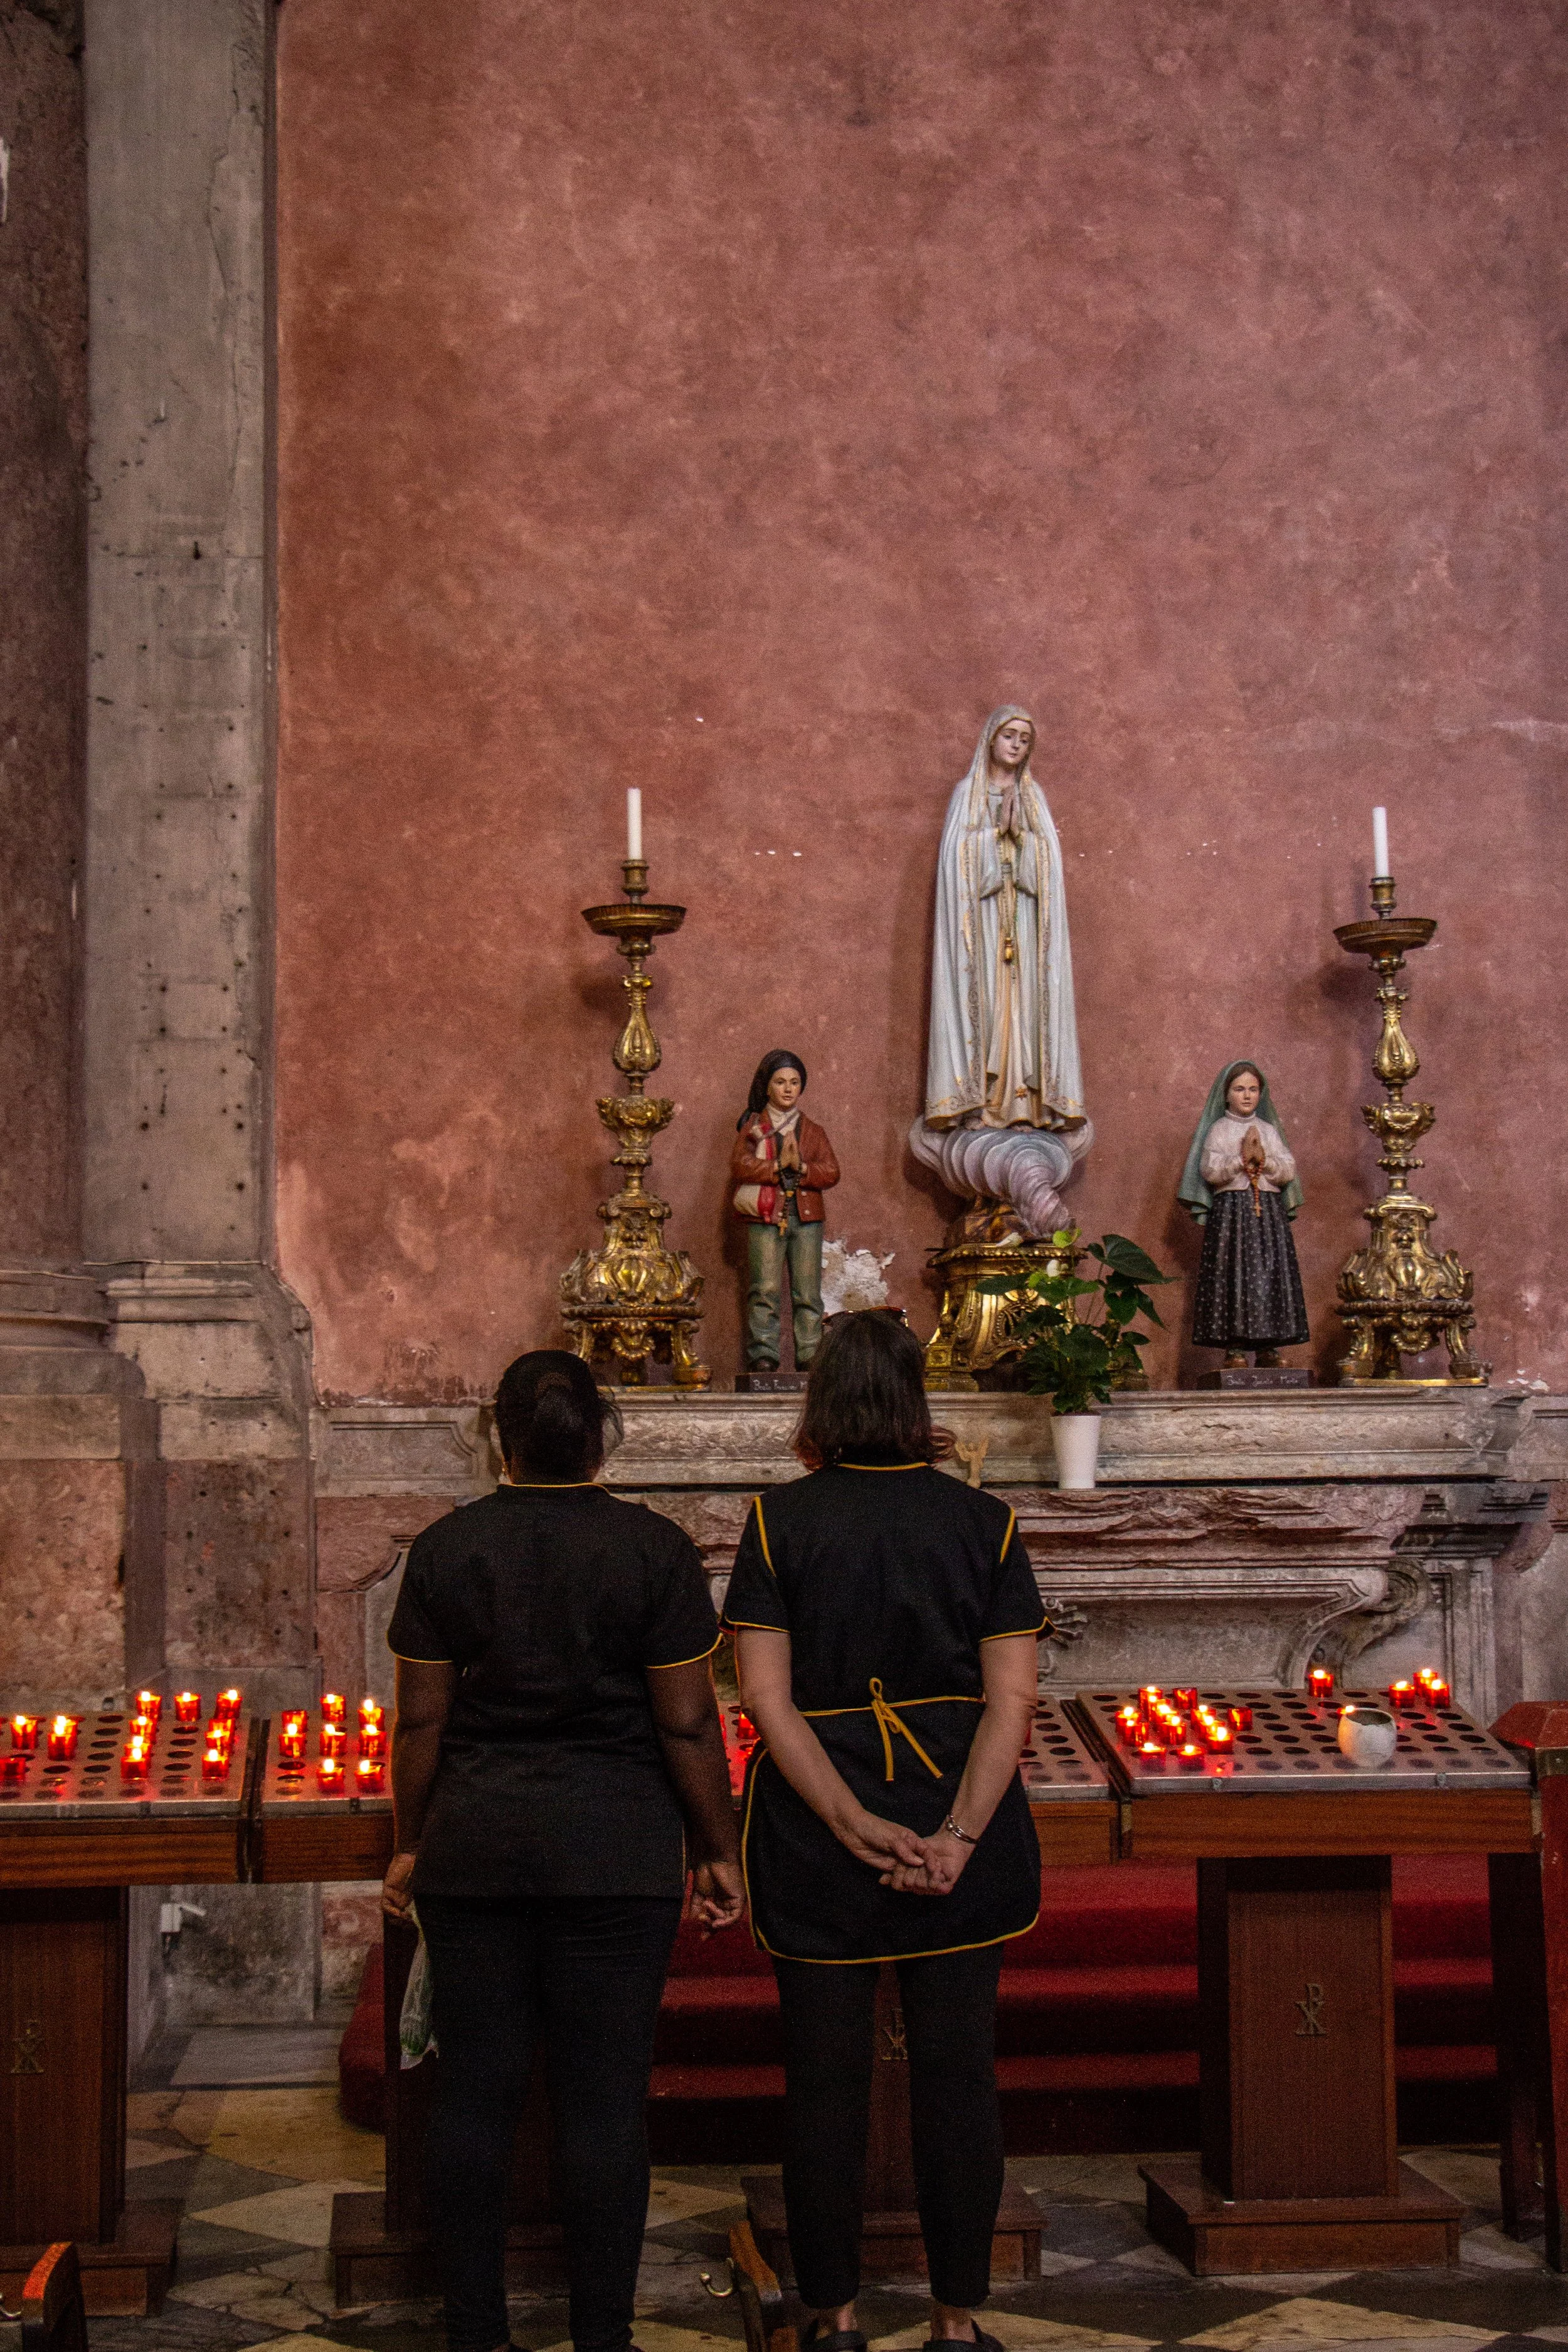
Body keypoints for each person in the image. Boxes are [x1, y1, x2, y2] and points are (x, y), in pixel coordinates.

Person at [381, 1350, 744, 2352]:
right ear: (602, 1435)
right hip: (616, 1852)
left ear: (498, 1435)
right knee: (603, 2101)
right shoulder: (654, 1550)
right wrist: (719, 1847)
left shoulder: (448, 1548)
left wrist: (411, 1843)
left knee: (476, 2094)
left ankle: (476, 2332)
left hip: (476, 1846)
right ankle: (603, 2336)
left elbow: (420, 1725)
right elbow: (686, 1726)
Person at [722, 1313, 1045, 2352]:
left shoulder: (778, 1523)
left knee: (824, 2081)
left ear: (819, 1403)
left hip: (821, 1836)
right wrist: (956, 1834)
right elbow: (1013, 1702)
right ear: (918, 1404)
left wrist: (851, 1819)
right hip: (963, 1824)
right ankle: (956, 2323)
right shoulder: (983, 1524)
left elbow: (765, 1702)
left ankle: (836, 2316)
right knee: (959, 2079)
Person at [1178, 1058, 1308, 1368]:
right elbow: (1209, 1170)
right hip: (1232, 1215)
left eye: (1253, 1089)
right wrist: (1240, 1160)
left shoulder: (1268, 1130)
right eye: (1239, 1089)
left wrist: (1266, 1161)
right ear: (1226, 1094)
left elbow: (1287, 1168)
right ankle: (1234, 1347)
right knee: (1234, 1275)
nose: (1247, 1096)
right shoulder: (1219, 1130)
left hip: (1267, 1215)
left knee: (1269, 1275)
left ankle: (1269, 1347)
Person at [731, 1049, 841, 1374]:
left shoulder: (813, 1130)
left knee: (808, 1291)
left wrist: (804, 1168)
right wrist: (777, 1167)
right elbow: (740, 1165)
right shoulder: (754, 1128)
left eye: (795, 1082)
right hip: (767, 1216)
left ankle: (809, 1353)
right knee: (764, 1288)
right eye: (780, 1082)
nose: (788, 1089)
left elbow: (831, 1171)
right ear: (768, 1087)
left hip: (806, 1217)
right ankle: (763, 1353)